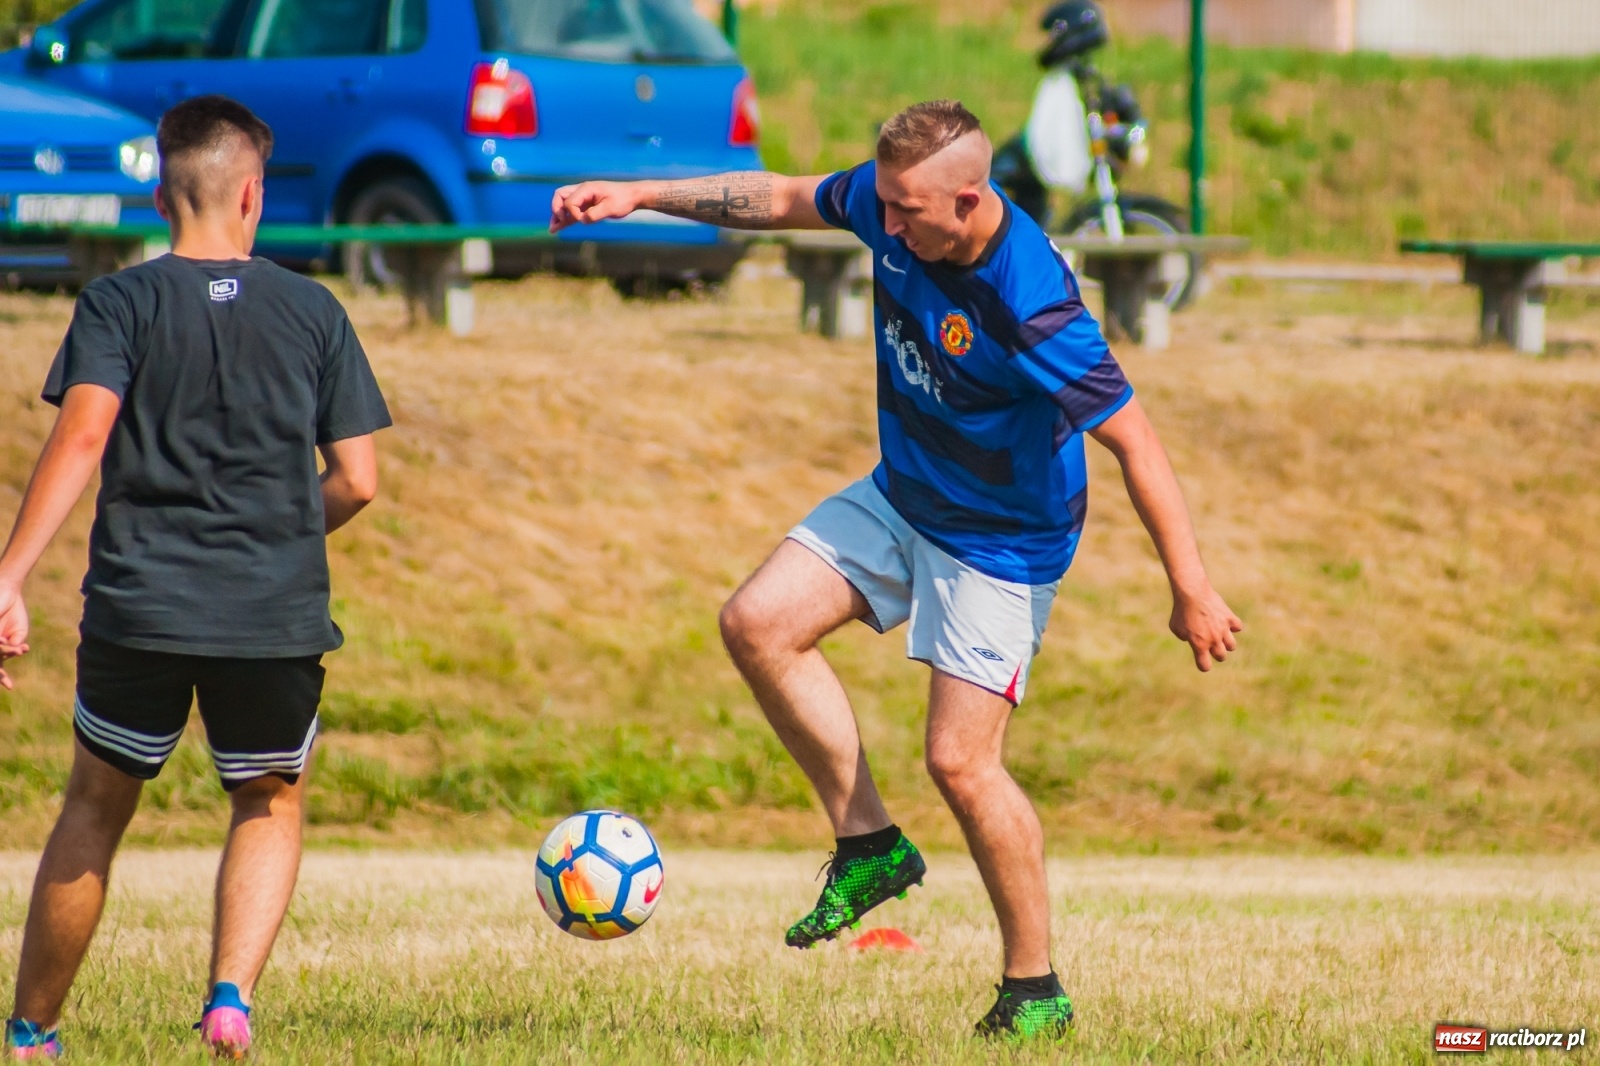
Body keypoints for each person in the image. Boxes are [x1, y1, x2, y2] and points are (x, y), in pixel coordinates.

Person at [549, 98, 1242, 1041]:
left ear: (970, 200)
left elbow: (1138, 443)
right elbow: (784, 195)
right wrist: (640, 194)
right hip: (908, 490)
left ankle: (1034, 988)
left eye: (909, 211)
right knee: (757, 623)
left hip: (1001, 537)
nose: (889, 223)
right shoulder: (892, 204)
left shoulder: (1028, 298)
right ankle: (869, 843)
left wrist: (1191, 586)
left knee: (960, 762)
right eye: (884, 203)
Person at [0, 95, 391, 1060]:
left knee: (95, 805)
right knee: (266, 798)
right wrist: (290, 530)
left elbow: (83, 434)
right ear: (254, 193)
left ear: (160, 188)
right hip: (273, 614)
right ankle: (229, 998)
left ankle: (34, 1033)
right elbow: (359, 480)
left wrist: (8, 576)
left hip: (140, 608)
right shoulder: (314, 308)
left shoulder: (119, 303)